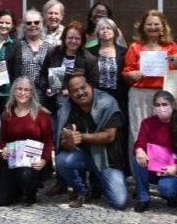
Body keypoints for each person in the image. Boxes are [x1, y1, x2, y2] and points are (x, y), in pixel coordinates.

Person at [53, 72, 128, 210]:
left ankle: (102, 183)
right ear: (69, 94)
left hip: (107, 159)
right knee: (61, 160)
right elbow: (64, 139)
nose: (80, 93)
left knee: (120, 202)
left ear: (90, 86)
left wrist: (80, 137)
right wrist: (68, 140)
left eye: (83, 87)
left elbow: (109, 136)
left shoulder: (108, 103)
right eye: (75, 91)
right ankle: (82, 191)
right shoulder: (68, 108)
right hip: (84, 157)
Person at [122, 10, 177, 162]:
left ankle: (162, 168)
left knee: (164, 132)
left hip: (163, 93)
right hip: (140, 94)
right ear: (143, 27)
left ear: (163, 27)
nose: (153, 27)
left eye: (156, 24)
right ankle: (140, 171)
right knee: (138, 131)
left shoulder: (171, 46)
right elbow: (126, 72)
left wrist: (175, 61)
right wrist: (131, 75)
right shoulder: (135, 47)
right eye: (149, 24)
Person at [0, 77, 53, 206]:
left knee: (25, 175)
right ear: (13, 91)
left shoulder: (41, 115)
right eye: (19, 89)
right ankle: (18, 189)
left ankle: (31, 193)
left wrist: (44, 160)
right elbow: (3, 139)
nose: (23, 93)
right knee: (0, 200)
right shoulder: (7, 114)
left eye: (27, 90)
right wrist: (3, 149)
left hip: (32, 164)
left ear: (32, 93)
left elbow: (48, 142)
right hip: (11, 161)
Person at [131, 91, 177, 212]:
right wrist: (139, 150)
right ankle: (143, 198)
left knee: (166, 189)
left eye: (164, 104)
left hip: (175, 170)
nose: (161, 108)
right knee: (137, 159)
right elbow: (140, 143)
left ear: (172, 105)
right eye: (157, 105)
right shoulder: (148, 123)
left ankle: (171, 195)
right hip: (154, 169)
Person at [37, 21, 99, 111]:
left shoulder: (89, 59)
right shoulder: (53, 53)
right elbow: (43, 74)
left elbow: (94, 84)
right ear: (64, 38)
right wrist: (46, 88)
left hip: (77, 107)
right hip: (53, 105)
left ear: (82, 40)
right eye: (70, 38)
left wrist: (73, 92)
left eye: (77, 38)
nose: (73, 41)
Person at [14, 9, 49, 86]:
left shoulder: (50, 48)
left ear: (42, 25)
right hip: (22, 92)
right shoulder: (16, 45)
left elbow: (54, 71)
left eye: (36, 22)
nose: (33, 25)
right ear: (24, 26)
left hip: (44, 94)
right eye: (29, 23)